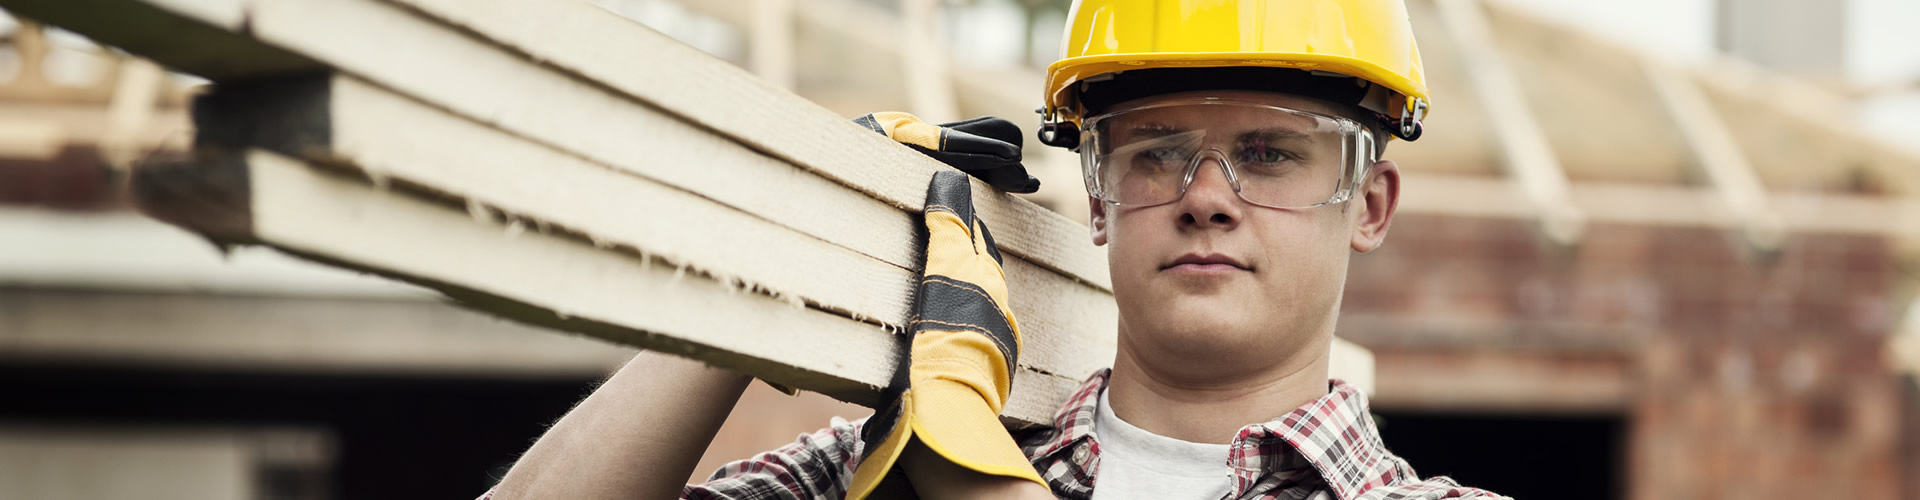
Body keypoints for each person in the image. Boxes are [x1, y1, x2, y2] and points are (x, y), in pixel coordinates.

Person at [485, 0, 1507, 498]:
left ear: (1370, 202)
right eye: (1155, 152)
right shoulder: (880, 461)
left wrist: (962, 472)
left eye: (1270, 152)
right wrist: (767, 275)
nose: (1205, 196)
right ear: (1098, 195)